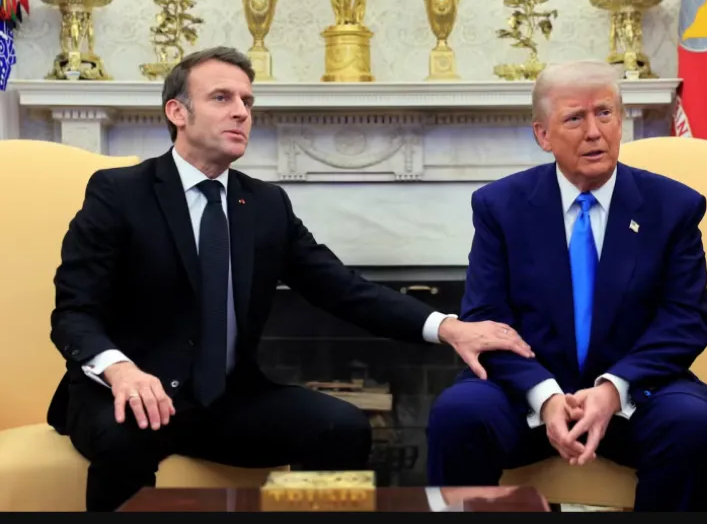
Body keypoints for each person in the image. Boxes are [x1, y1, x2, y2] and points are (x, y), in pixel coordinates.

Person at [47, 46, 532, 512]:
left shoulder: (264, 205)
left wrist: (447, 327)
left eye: (247, 101)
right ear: (178, 112)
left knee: (341, 427)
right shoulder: (120, 193)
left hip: (226, 400)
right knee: (125, 437)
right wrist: (121, 370)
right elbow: (74, 312)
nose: (241, 112)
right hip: (129, 392)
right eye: (222, 98)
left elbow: (342, 289)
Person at [425, 60, 707, 511]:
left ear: (620, 121)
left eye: (604, 113)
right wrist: (546, 396)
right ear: (543, 135)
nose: (594, 132)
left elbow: (687, 319)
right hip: (526, 396)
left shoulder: (673, 206)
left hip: (635, 394)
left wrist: (613, 388)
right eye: (574, 118)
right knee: (459, 414)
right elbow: (484, 320)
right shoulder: (500, 206)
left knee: (690, 421)